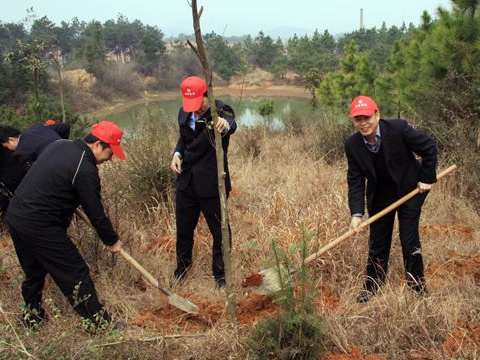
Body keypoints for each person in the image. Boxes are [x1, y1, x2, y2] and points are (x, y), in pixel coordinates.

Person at [4, 120, 125, 330]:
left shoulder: (61, 145)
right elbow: (96, 213)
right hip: (39, 223)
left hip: (16, 215)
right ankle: (99, 326)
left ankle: (32, 319)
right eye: (110, 152)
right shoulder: (85, 169)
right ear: (97, 144)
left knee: (34, 272)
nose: (111, 158)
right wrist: (111, 240)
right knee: (74, 271)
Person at [345, 95, 437, 303]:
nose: (363, 123)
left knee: (408, 239)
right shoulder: (352, 144)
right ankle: (372, 287)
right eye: (358, 119)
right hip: (380, 196)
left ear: (377, 114)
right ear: (353, 121)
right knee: (378, 242)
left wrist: (426, 178)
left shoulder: (398, 128)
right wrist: (356, 214)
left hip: (410, 190)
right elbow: (356, 180)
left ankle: (417, 288)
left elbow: (429, 148)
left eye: (366, 117)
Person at [170, 76, 237, 288]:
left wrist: (225, 125)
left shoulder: (221, 111)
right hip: (186, 184)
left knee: (220, 231)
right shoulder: (184, 111)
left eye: (199, 104)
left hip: (211, 185)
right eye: (191, 106)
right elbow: (183, 138)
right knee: (183, 229)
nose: (195, 110)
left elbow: (230, 124)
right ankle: (182, 269)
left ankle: (221, 275)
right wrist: (177, 153)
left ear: (207, 95)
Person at [0, 121, 70, 168]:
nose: (9, 149)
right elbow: (65, 127)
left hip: (62, 165)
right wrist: (63, 142)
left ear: (11, 140)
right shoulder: (38, 127)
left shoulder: (20, 153)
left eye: (7, 146)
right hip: (71, 150)